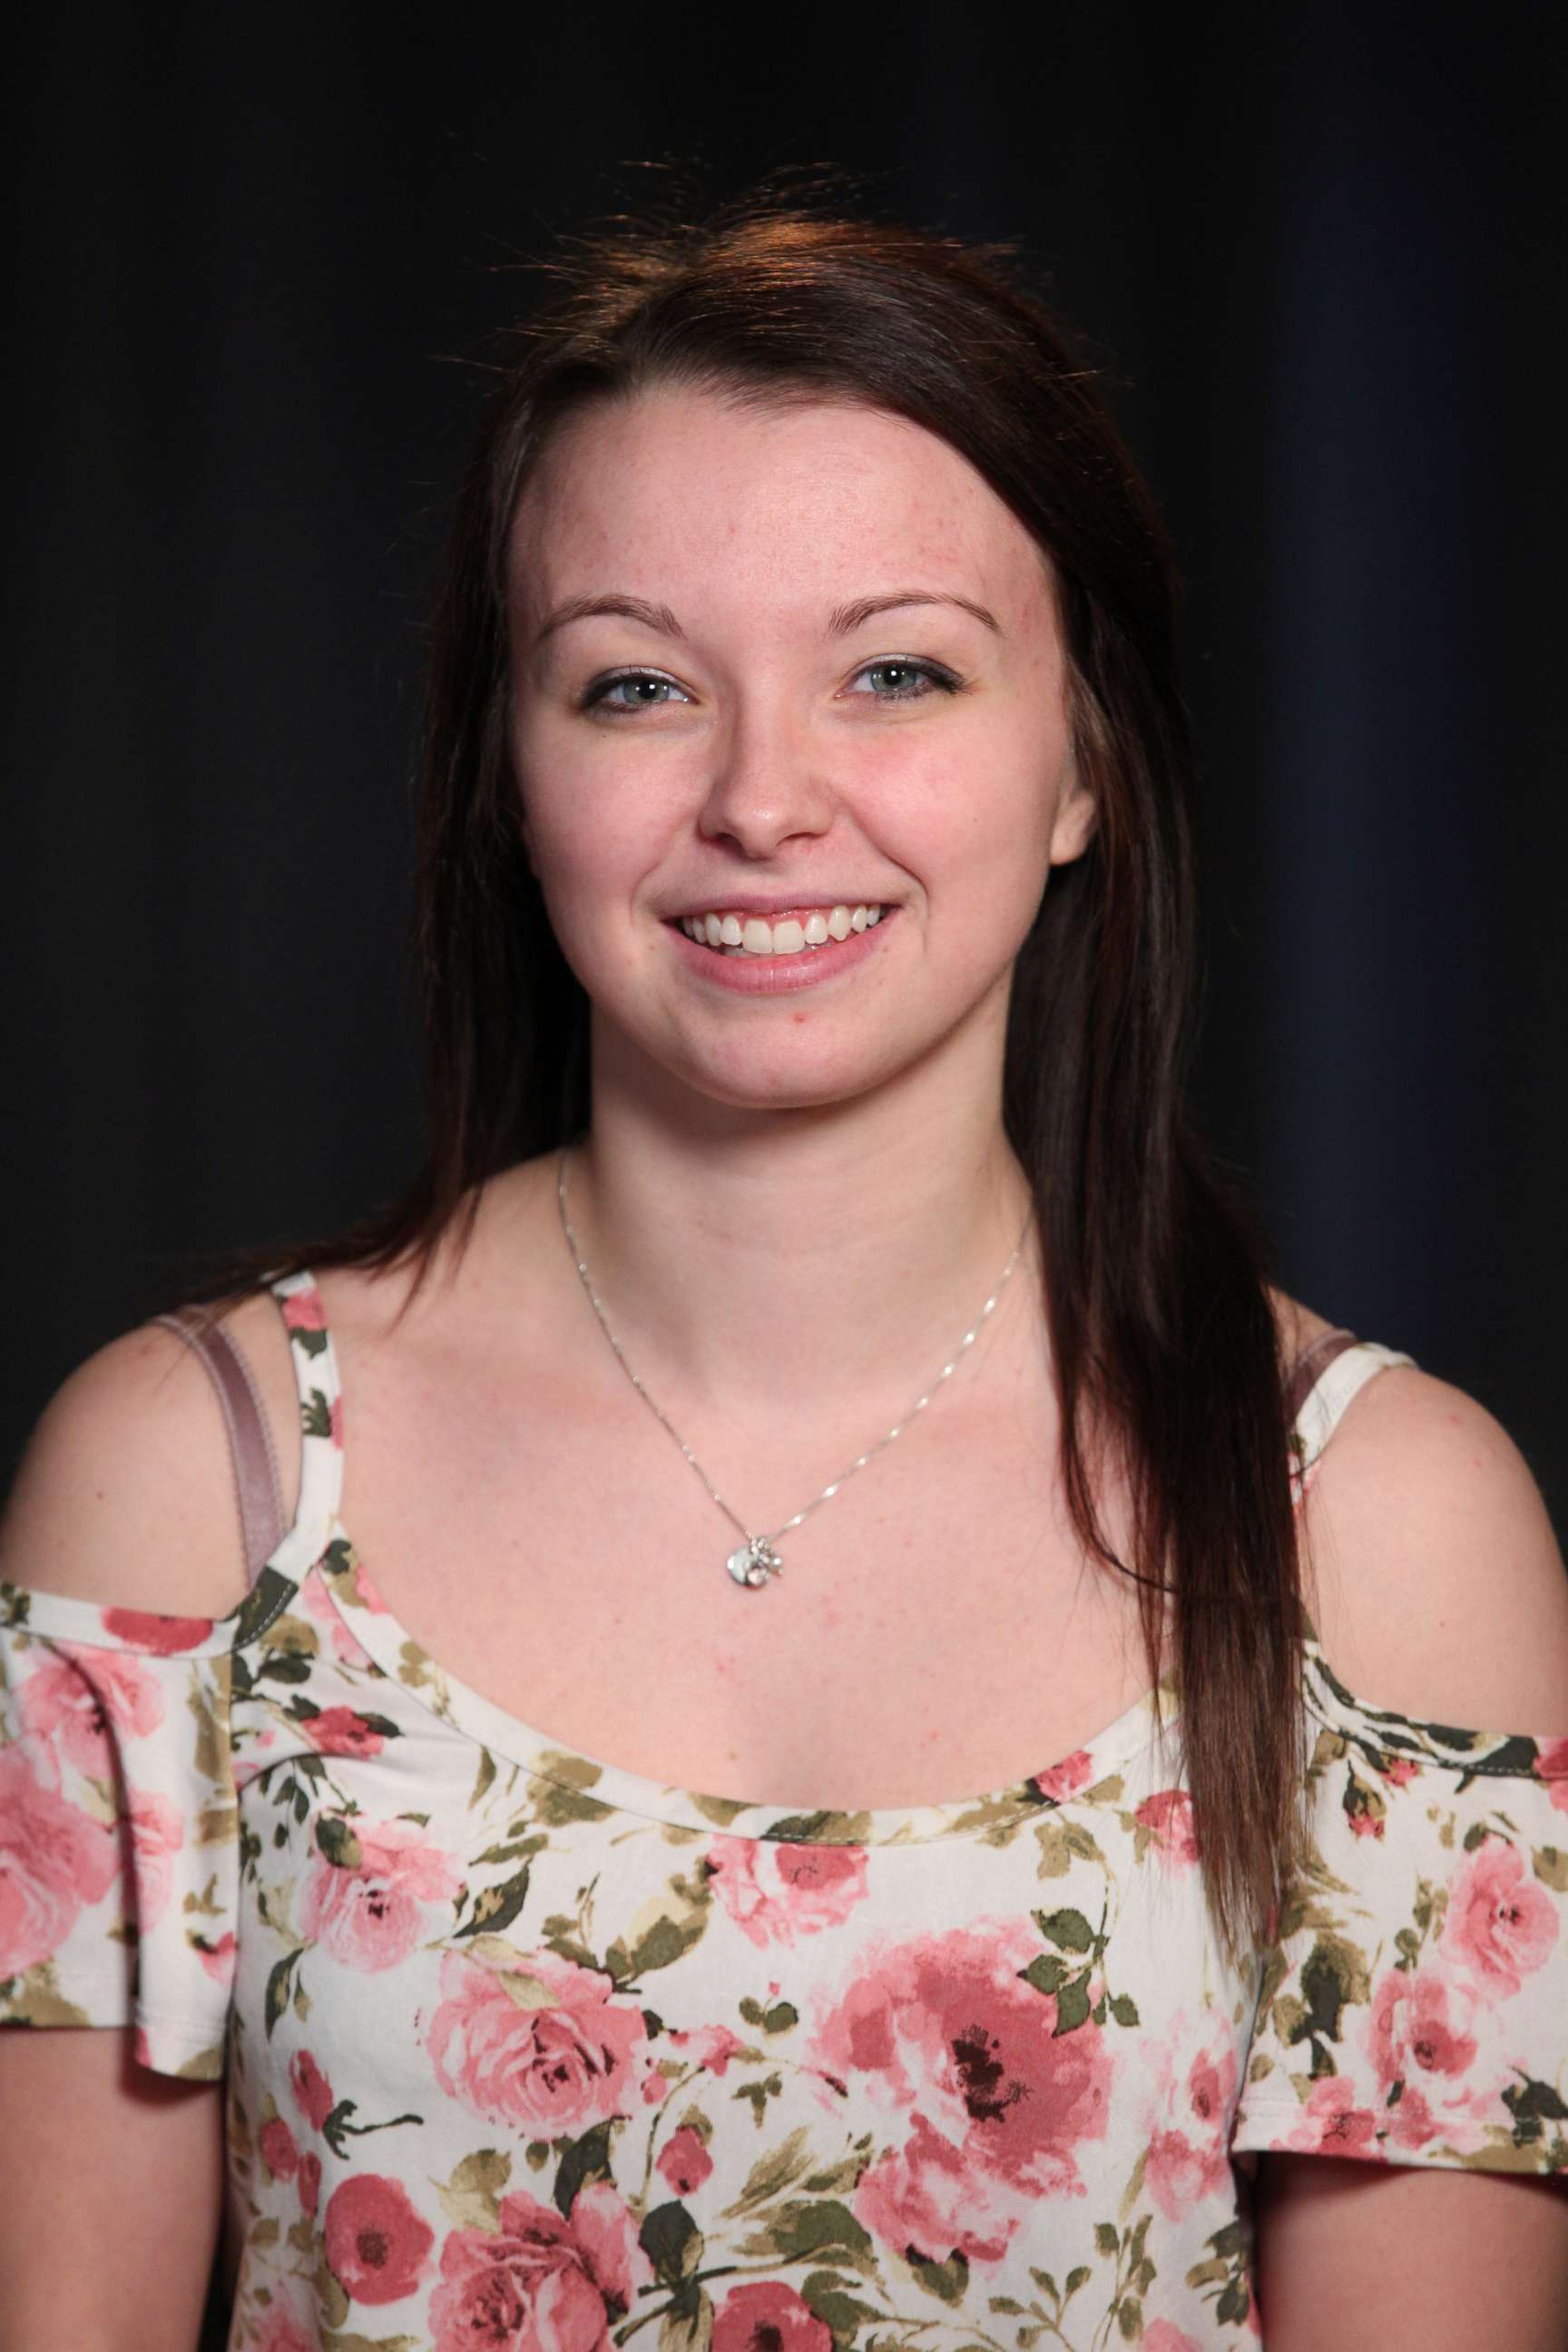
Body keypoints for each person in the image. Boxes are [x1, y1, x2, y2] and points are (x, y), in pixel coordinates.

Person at [2, 178, 1565, 2352]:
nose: (763, 797)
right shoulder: (189, 1485)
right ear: (507, 774)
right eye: (635, 686)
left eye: (896, 672)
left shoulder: (1378, 1530)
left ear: (1085, 758)